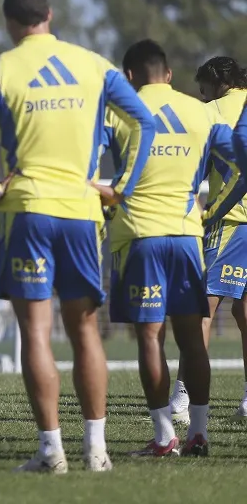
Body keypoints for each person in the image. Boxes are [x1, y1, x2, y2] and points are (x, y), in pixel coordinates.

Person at [0, 0, 155, 474]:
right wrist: (121, 187)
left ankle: (51, 451)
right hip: (82, 210)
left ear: (9, 22)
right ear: (50, 14)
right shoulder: (94, 65)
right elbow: (145, 122)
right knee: (86, 330)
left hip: (25, 209)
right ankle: (97, 450)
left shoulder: (0, 69)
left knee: (36, 332)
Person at [105, 40, 225, 457]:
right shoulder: (201, 111)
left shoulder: (119, 111)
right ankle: (200, 433)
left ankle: (163, 437)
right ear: (169, 74)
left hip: (140, 238)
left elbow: (90, 163)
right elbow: (237, 154)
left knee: (150, 339)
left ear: (130, 77)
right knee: (193, 339)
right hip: (188, 237)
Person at [172, 57, 247, 420]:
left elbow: (195, 162)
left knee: (202, 310)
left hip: (229, 219)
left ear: (216, 83)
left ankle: (183, 399)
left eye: (203, 90)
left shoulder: (213, 110)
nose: (202, 98)